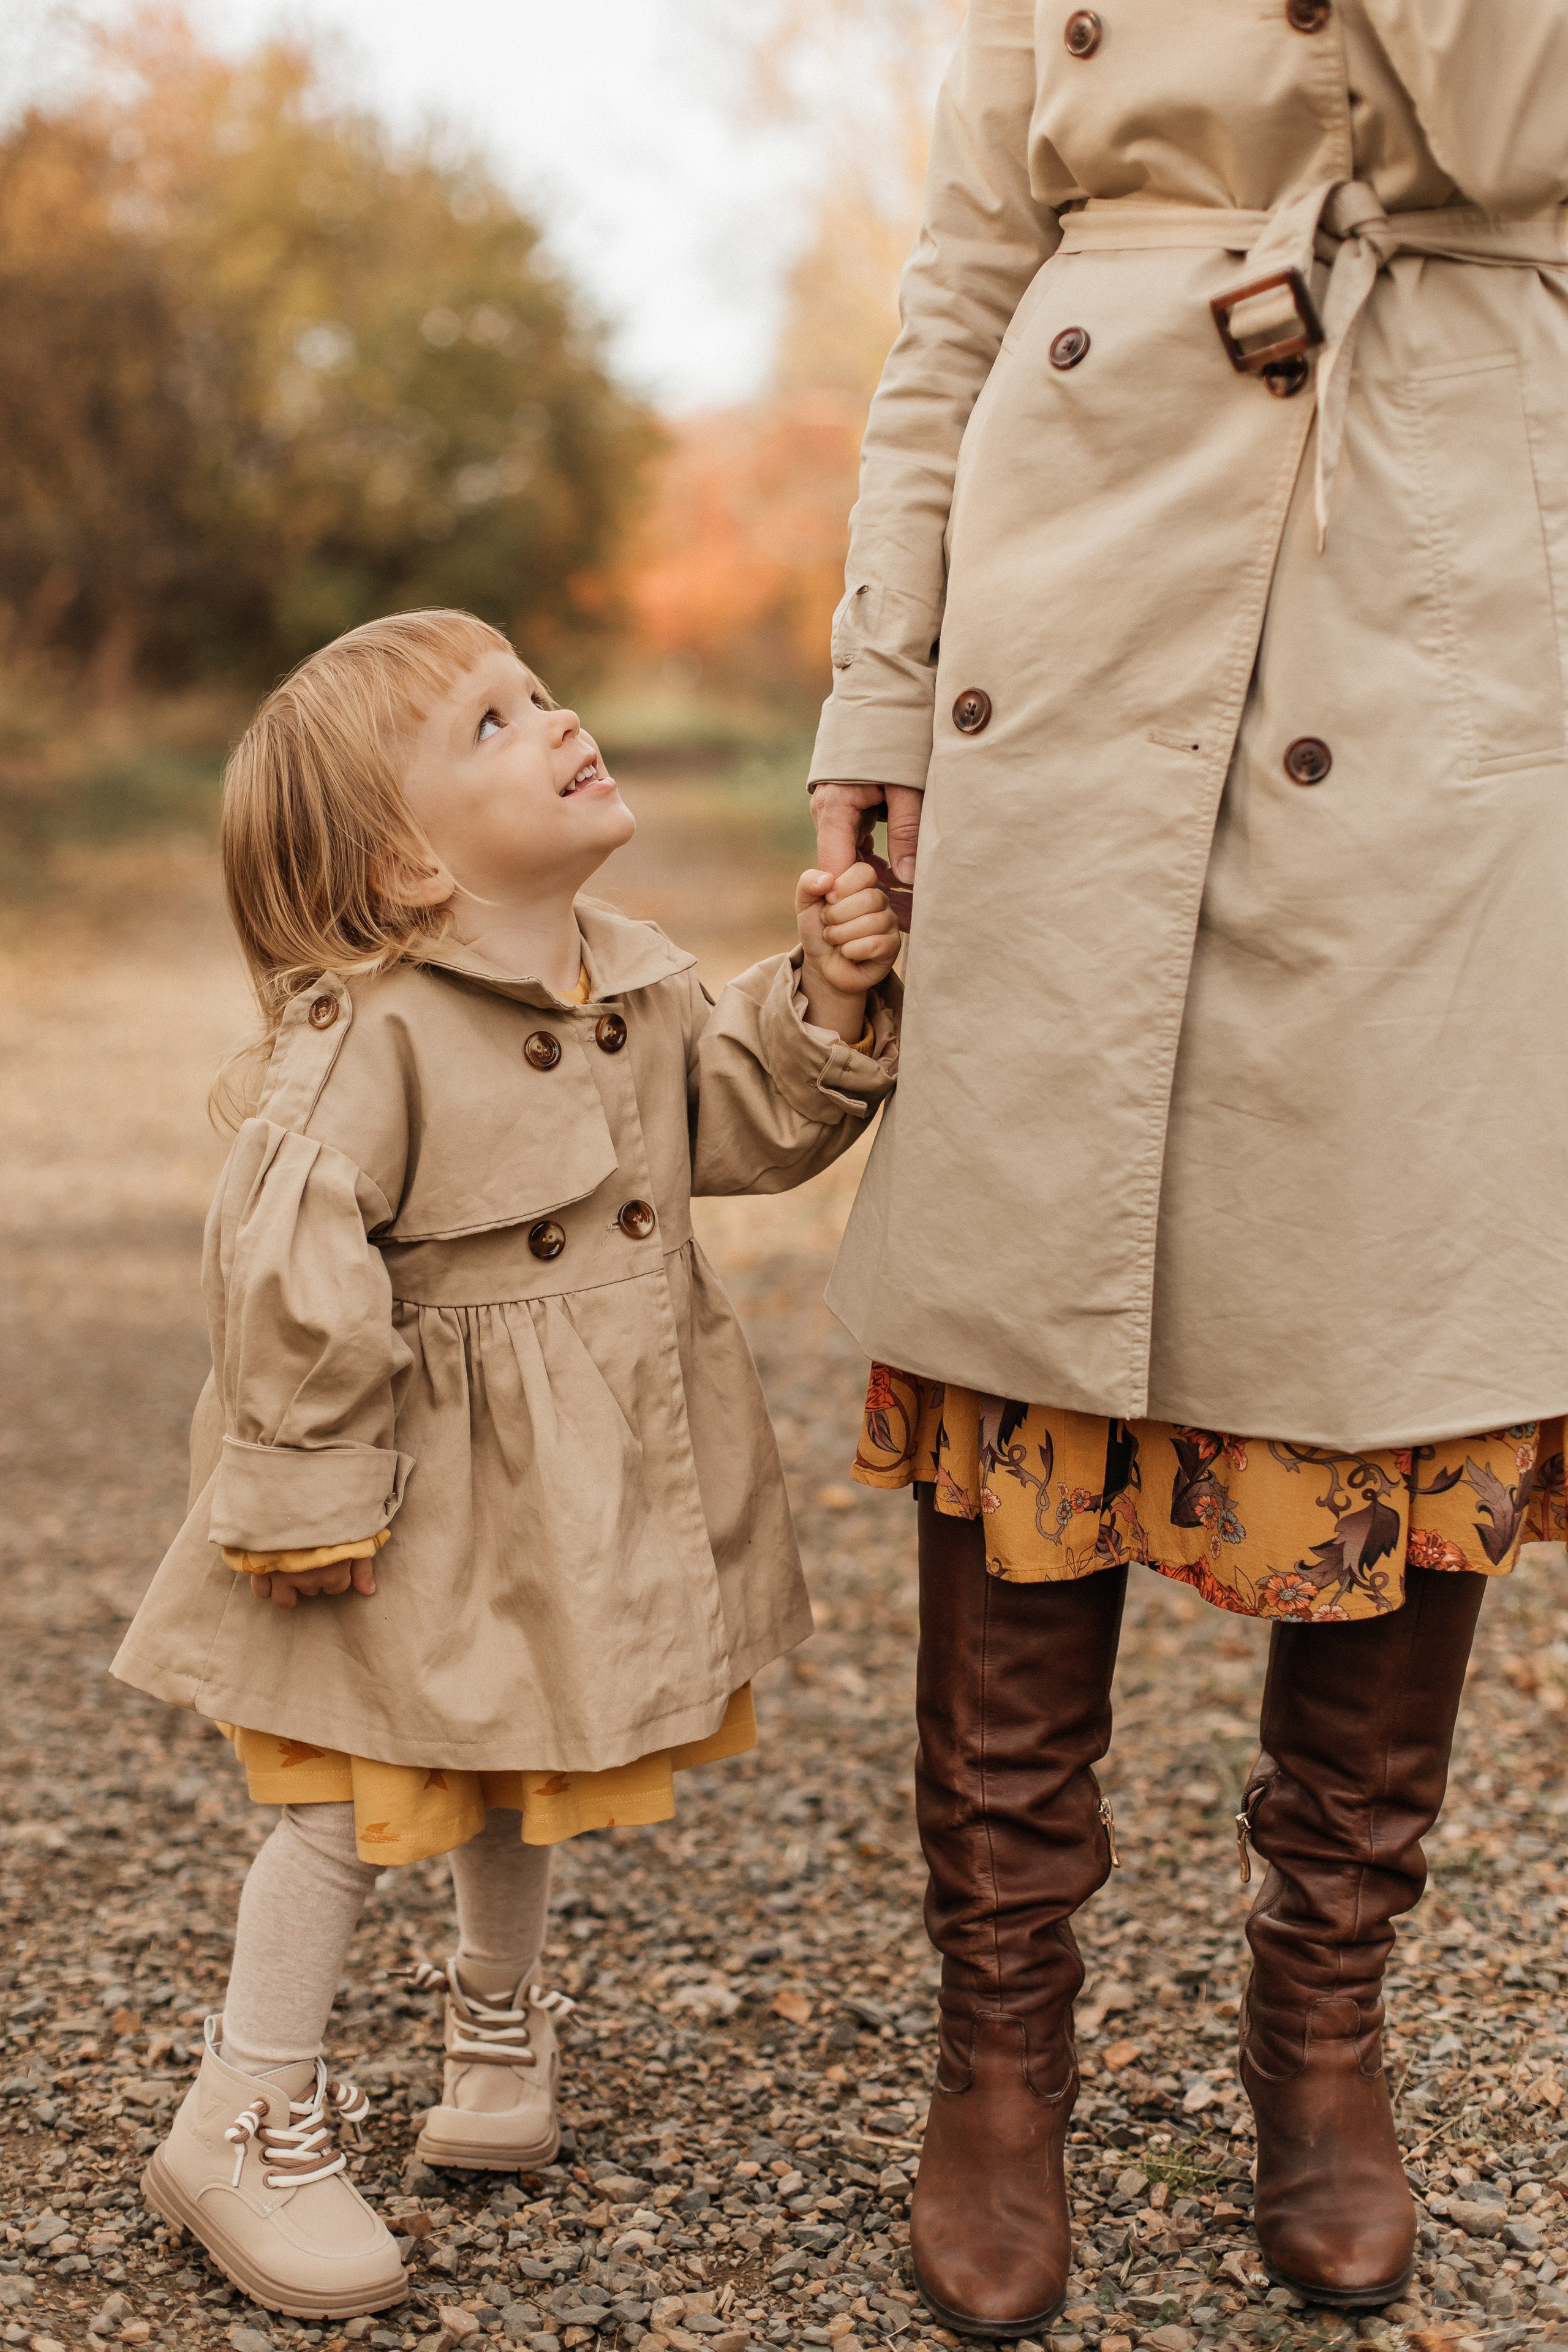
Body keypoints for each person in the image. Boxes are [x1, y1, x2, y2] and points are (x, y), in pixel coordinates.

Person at [809, 0, 1568, 2336]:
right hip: (1076, 570)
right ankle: (1001, 2048)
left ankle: (1320, 2031)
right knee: (1033, 1290)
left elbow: (1526, 127)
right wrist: (872, 686)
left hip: (1438, 570)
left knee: (1405, 1292)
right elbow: (959, 278)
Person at [111, 608, 901, 2321]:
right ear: (401, 868)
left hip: (561, 1489)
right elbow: (289, 1272)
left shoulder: (628, 977)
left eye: (539, 691)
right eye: (488, 724)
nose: (555, 720)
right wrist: (310, 1500)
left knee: (520, 1734)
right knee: (341, 1788)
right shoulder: (373, 1038)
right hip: (397, 1494)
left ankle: (492, 2027)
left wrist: (831, 990)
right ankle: (244, 2105)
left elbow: (738, 1117)